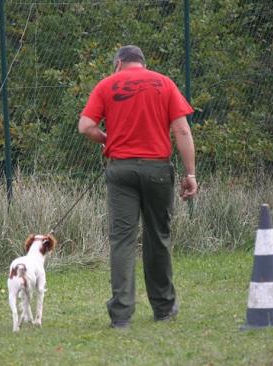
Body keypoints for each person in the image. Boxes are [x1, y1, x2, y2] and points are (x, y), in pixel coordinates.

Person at [78, 45, 197, 328]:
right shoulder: (164, 83)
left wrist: (107, 138)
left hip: (120, 171)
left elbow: (85, 126)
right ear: (142, 64)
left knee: (122, 241)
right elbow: (181, 130)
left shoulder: (107, 85)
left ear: (119, 63)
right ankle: (164, 308)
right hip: (157, 170)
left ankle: (121, 316)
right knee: (158, 237)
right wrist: (190, 173)